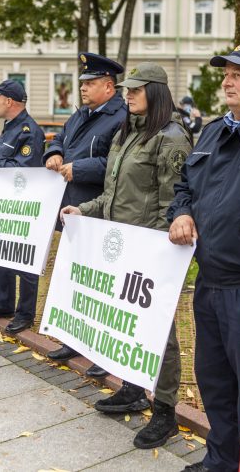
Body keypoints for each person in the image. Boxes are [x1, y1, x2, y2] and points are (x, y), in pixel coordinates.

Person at [61, 63, 192, 449]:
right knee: (129, 323)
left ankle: (165, 411)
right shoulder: (126, 134)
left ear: (156, 92)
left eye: (136, 90)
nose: (127, 94)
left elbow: (176, 206)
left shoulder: (171, 139)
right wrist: (84, 210)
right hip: (121, 248)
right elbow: (113, 194)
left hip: (152, 252)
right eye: (126, 89)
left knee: (161, 334)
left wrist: (153, 248)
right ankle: (133, 389)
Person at [167, 43, 240, 472]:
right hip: (208, 284)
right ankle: (221, 460)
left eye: (239, 72)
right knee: (215, 380)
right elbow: (183, 186)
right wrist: (183, 211)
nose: (227, 80)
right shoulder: (210, 131)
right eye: (225, 72)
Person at [44, 52, 126, 376]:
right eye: (82, 83)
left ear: (109, 86)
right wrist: (54, 152)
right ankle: (74, 340)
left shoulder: (120, 118)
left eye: (90, 83)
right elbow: (61, 138)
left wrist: (80, 168)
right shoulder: (80, 114)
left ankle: (101, 350)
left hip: (97, 211)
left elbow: (117, 165)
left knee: (99, 286)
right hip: (72, 211)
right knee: (73, 279)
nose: (83, 88)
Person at [0, 79, 45, 335]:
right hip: (4, 204)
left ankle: (25, 313)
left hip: (24, 207)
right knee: (1, 253)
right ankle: (3, 303)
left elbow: (25, 169)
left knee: (24, 260)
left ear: (9, 101)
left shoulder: (29, 131)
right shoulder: (9, 128)